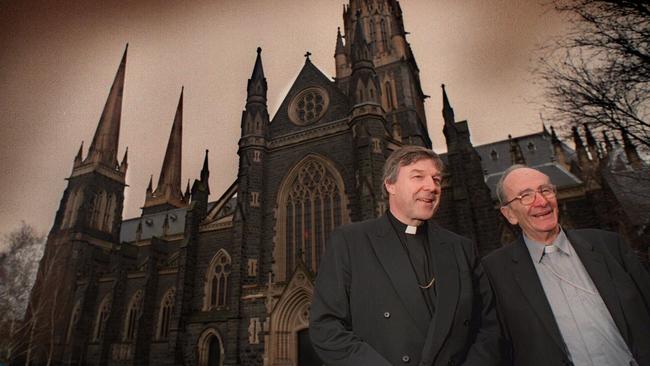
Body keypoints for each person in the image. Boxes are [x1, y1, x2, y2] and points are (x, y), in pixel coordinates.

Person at [309, 145, 501, 366]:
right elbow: (326, 327)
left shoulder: (461, 248)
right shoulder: (350, 242)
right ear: (390, 185)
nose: (431, 187)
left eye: (436, 179)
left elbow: (489, 327)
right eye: (418, 176)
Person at [482, 164, 650, 366]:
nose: (541, 201)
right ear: (510, 214)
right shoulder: (494, 271)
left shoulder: (609, 245)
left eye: (545, 190)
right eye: (525, 196)